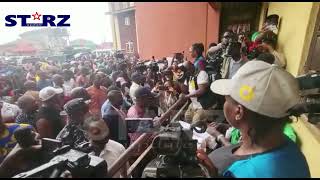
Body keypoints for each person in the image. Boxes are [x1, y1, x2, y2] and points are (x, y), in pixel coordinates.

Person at [206, 60, 310, 178]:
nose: (225, 103)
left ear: (238, 111)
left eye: (226, 100)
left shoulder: (240, 173)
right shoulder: (291, 149)